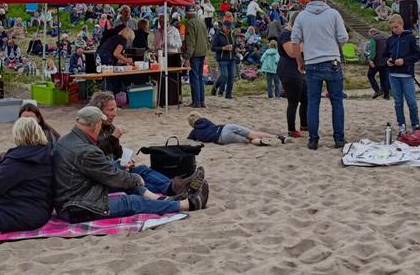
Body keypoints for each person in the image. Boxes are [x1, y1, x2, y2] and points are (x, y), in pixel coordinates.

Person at [52, 107, 206, 223]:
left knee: (131, 177)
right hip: (77, 207)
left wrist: (118, 165)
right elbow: (111, 176)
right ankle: (187, 204)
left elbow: (98, 168)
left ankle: (166, 199)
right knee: (132, 201)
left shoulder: (66, 140)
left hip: (75, 195)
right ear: (95, 125)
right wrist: (135, 179)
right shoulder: (85, 150)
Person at [87, 92, 206, 198]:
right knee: (137, 181)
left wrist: (126, 161)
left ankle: (175, 186)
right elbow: (94, 154)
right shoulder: (90, 130)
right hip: (101, 176)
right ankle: (175, 189)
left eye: (115, 109)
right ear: (98, 111)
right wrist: (114, 138)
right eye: (110, 110)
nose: (115, 114)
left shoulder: (109, 127)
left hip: (114, 170)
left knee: (142, 170)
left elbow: (117, 154)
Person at [291, 0, 348, 150]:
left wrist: (299, 61)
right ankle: (339, 139)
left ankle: (313, 139)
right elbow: (344, 37)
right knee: (337, 101)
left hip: (312, 62)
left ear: (310, 0)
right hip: (332, 60)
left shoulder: (302, 16)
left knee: (313, 103)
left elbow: (295, 41)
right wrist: (334, 44)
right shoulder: (333, 14)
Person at [385, 15, 420, 131]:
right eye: (392, 28)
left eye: (396, 27)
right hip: (393, 74)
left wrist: (404, 61)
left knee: (411, 102)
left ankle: (415, 124)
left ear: (401, 24)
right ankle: (401, 125)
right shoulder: (390, 39)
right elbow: (385, 54)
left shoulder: (410, 37)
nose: (394, 30)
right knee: (398, 102)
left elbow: (417, 55)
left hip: (406, 75)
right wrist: (388, 61)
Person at [278, 15, 308, 139]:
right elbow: (291, 53)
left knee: (306, 98)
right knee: (293, 101)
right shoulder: (286, 34)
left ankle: (304, 124)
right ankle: (291, 129)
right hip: (289, 69)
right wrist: (305, 43)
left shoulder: (296, 34)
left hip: (299, 69)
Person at [187, 112, 286, 146]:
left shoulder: (194, 132)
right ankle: (278, 137)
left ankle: (261, 142)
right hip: (226, 127)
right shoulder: (206, 120)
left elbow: (189, 138)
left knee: (250, 141)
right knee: (252, 133)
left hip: (221, 138)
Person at [183, 8, 209, 108]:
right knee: (200, 77)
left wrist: (187, 57)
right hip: (202, 52)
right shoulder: (201, 21)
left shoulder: (190, 23)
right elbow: (206, 38)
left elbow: (191, 42)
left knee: (194, 78)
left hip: (195, 54)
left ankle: (196, 102)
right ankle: (202, 101)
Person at [211, 21, 236, 98]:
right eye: (227, 28)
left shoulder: (232, 34)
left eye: (230, 28)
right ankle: (215, 87)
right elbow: (213, 48)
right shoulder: (218, 34)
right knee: (224, 76)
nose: (229, 30)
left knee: (231, 77)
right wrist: (223, 48)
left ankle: (228, 94)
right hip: (222, 59)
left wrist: (237, 48)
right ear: (223, 27)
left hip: (232, 58)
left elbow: (234, 45)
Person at [367, 28, 391, 99]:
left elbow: (372, 51)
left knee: (370, 75)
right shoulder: (385, 38)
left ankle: (377, 90)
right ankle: (386, 95)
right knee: (384, 78)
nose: (369, 35)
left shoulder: (373, 39)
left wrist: (371, 60)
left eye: (369, 33)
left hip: (376, 61)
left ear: (372, 32)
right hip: (385, 61)